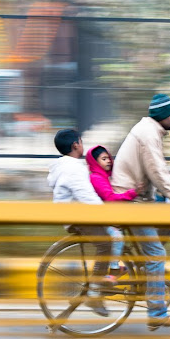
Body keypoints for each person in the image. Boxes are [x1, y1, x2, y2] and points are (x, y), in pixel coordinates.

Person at [111, 93, 170, 331]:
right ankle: (157, 312)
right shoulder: (149, 134)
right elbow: (158, 173)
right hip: (132, 204)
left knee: (166, 226)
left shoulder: (150, 131)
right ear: (163, 115)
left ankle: (153, 277)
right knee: (156, 254)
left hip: (140, 199)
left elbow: (156, 174)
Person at [46, 129, 114, 318]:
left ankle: (104, 278)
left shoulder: (64, 167)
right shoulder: (73, 168)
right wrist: (108, 214)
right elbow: (87, 197)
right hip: (79, 217)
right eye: (81, 142)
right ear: (76, 145)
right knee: (105, 244)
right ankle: (94, 293)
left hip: (73, 215)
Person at [86, 144, 141, 277]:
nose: (109, 161)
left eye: (109, 158)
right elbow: (110, 198)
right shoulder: (96, 178)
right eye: (104, 159)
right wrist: (132, 193)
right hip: (102, 218)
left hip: (109, 215)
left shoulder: (105, 177)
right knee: (117, 238)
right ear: (94, 162)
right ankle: (114, 268)